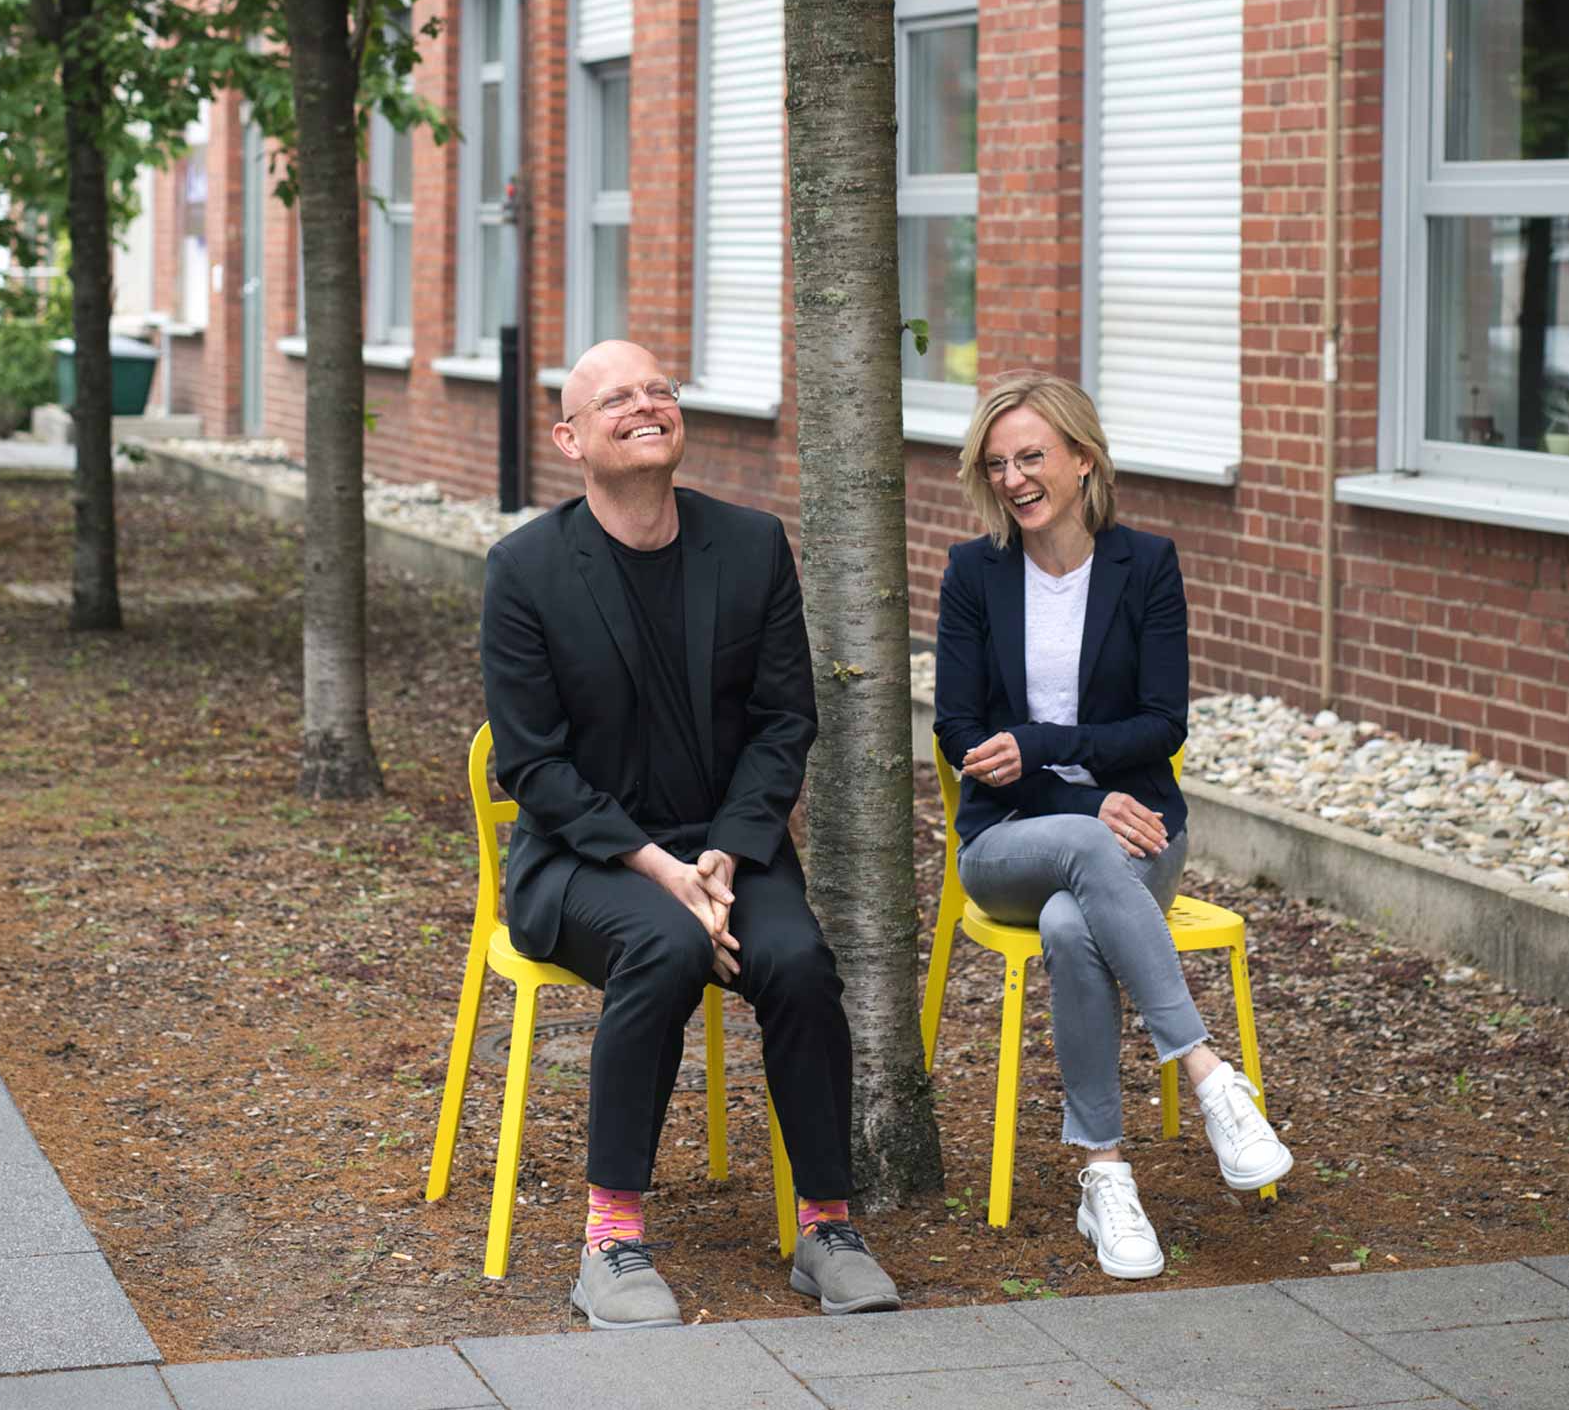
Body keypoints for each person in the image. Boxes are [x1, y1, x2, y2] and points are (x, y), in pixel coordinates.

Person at [479, 339, 902, 1328]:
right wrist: (656, 868)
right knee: (663, 945)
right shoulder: (525, 570)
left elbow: (783, 719)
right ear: (570, 438)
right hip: (582, 858)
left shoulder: (751, 545)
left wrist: (723, 851)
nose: (644, 404)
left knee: (795, 959)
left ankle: (827, 1227)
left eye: (658, 389)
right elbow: (531, 765)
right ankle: (610, 1241)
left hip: (723, 846)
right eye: (614, 397)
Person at [934, 373, 1293, 1280]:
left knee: (1070, 923)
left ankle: (1104, 1177)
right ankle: (1212, 1079)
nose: (1015, 478)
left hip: (1142, 838)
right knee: (1080, 855)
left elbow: (1163, 723)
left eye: (1033, 457)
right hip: (1008, 842)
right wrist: (1080, 798)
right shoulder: (974, 573)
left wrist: (1048, 742)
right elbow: (959, 731)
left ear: (1083, 459)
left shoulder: (1148, 564)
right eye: (998, 462)